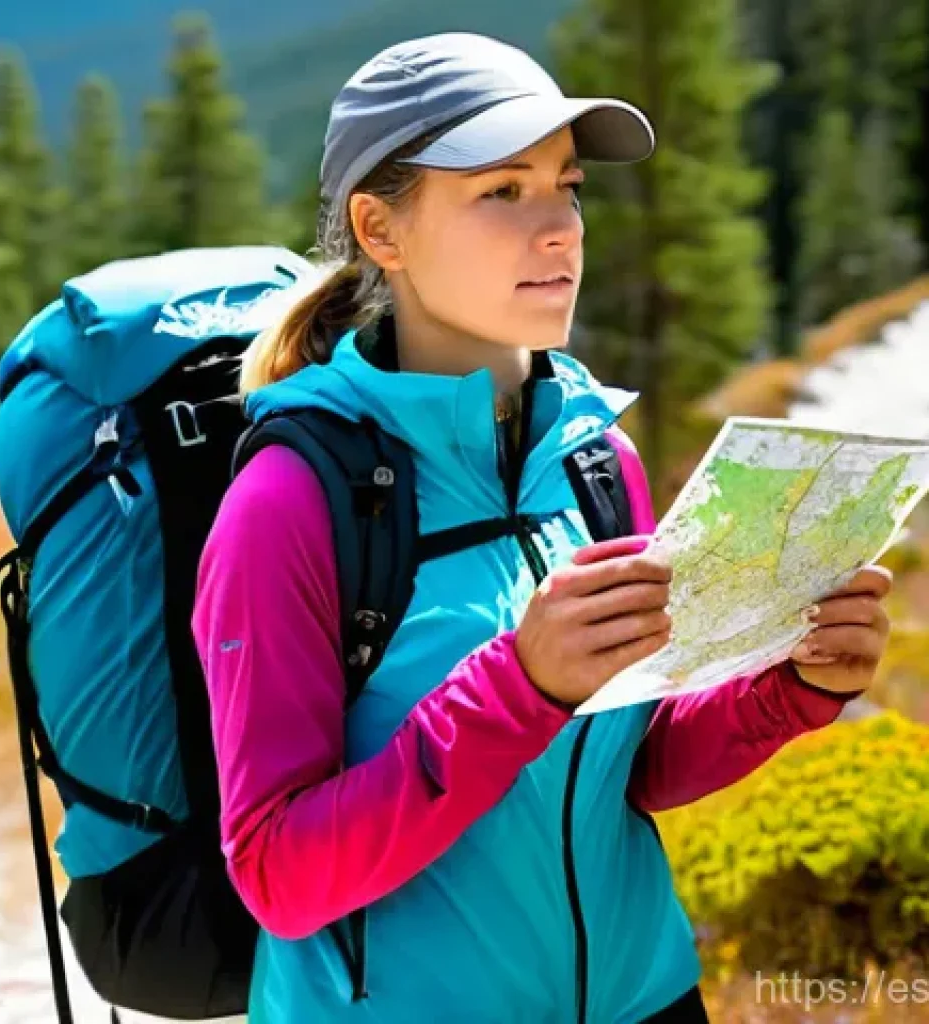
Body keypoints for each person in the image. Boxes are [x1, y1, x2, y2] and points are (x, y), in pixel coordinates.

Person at [191, 32, 892, 1024]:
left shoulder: (596, 460)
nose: (560, 227)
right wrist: (518, 687)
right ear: (380, 230)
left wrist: (788, 684)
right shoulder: (291, 502)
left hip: (646, 997)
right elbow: (279, 876)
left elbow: (632, 766)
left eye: (566, 186)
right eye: (503, 193)